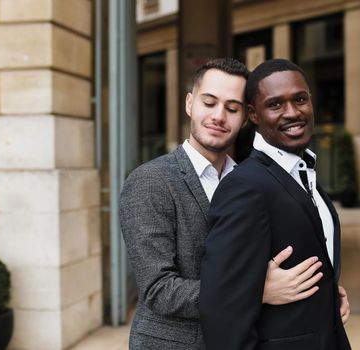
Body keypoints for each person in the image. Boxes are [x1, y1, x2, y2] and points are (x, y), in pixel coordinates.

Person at [119, 58, 346, 349]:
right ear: (190, 103)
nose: (219, 116)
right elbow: (158, 290)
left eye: (232, 108)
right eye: (209, 102)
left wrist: (324, 295)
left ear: (248, 116)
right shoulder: (150, 180)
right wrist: (254, 291)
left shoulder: (254, 180)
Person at [200, 58, 352, 350]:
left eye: (300, 99)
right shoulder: (244, 187)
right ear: (254, 115)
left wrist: (329, 297)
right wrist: (256, 289)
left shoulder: (306, 178)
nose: (293, 113)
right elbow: (223, 310)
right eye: (276, 105)